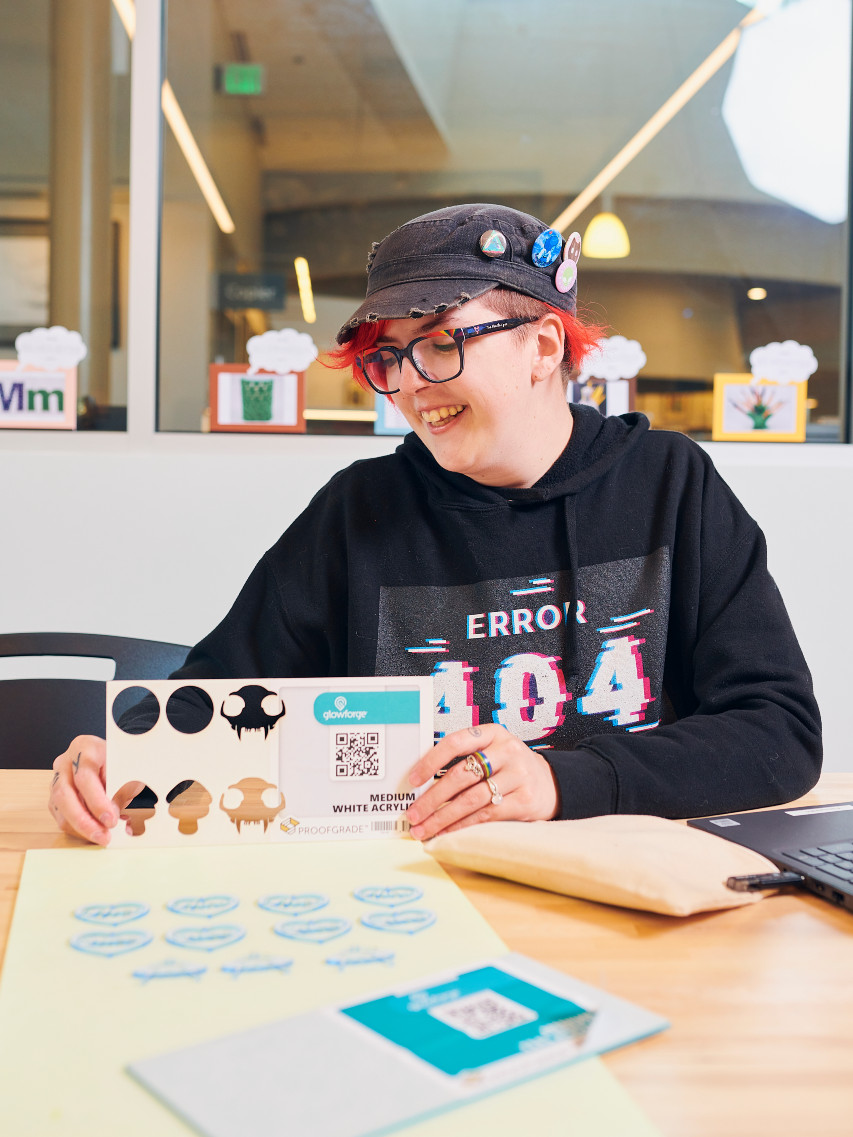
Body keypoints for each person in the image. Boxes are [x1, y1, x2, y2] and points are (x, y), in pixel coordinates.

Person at [49, 202, 821, 846]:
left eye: (443, 341)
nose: (412, 387)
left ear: (543, 345)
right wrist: (119, 757)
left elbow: (778, 731)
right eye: (389, 358)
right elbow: (214, 699)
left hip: (630, 899)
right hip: (411, 897)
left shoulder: (668, 484)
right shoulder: (359, 512)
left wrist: (560, 778)